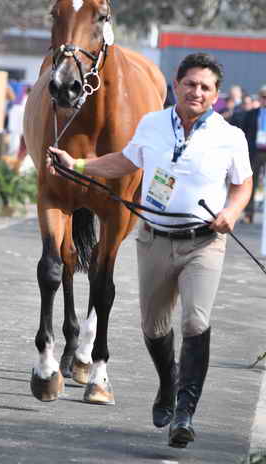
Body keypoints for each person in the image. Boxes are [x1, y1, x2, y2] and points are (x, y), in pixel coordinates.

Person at [47, 52, 252, 449]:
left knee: (195, 322)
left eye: (205, 87)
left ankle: (184, 414)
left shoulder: (231, 136)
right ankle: (168, 385)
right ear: (177, 86)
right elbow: (125, 161)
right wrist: (78, 164)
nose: (197, 91)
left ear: (216, 95)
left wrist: (232, 211)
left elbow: (243, 185)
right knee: (153, 327)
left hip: (204, 244)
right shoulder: (152, 124)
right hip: (155, 239)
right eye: (190, 84)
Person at [243, 85, 266, 223]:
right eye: (263, 97)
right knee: (252, 182)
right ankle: (248, 213)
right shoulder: (252, 114)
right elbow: (244, 132)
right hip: (256, 152)